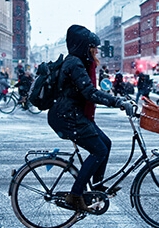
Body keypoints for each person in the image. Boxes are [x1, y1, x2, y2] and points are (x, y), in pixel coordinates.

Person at [48, 25, 133, 212]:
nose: (96, 51)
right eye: (93, 47)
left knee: (106, 143)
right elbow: (89, 93)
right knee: (99, 151)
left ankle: (97, 187)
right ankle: (76, 195)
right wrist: (117, 102)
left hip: (71, 115)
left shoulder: (78, 62)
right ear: (84, 47)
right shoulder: (75, 64)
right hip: (67, 117)